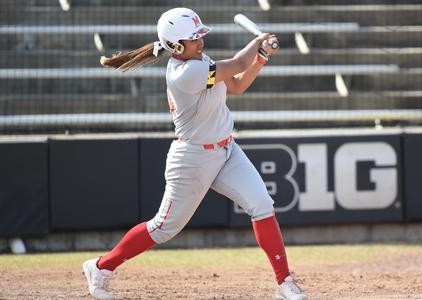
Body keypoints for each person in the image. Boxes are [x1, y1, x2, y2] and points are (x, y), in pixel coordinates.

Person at [82, 7, 308, 300]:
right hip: (193, 158)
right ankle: (100, 267)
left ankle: (284, 282)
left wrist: (261, 58)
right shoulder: (185, 73)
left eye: (199, 35)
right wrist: (258, 42)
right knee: (163, 228)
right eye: (193, 38)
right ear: (176, 46)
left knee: (262, 205)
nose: (200, 41)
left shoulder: (201, 60)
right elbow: (239, 63)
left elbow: (237, 85)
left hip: (226, 150)